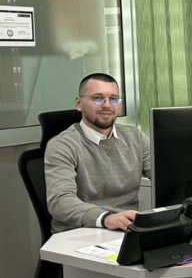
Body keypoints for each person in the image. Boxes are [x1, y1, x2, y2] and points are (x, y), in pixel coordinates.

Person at [45, 73, 150, 234]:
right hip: (78, 234)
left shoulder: (135, 137)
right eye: (98, 98)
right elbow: (60, 202)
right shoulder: (62, 145)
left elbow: (166, 177)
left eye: (114, 99)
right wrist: (106, 218)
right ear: (79, 103)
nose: (107, 105)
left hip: (126, 229)